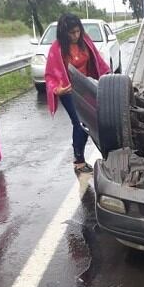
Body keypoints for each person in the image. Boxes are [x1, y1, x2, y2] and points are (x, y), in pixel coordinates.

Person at [45, 13, 110, 173]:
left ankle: (99, 154)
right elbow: (50, 74)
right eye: (71, 33)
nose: (75, 35)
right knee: (80, 123)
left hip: (85, 87)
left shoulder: (85, 41)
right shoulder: (57, 48)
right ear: (64, 33)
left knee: (91, 121)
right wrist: (57, 89)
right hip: (68, 91)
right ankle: (79, 161)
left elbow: (97, 60)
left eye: (77, 31)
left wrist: (107, 76)